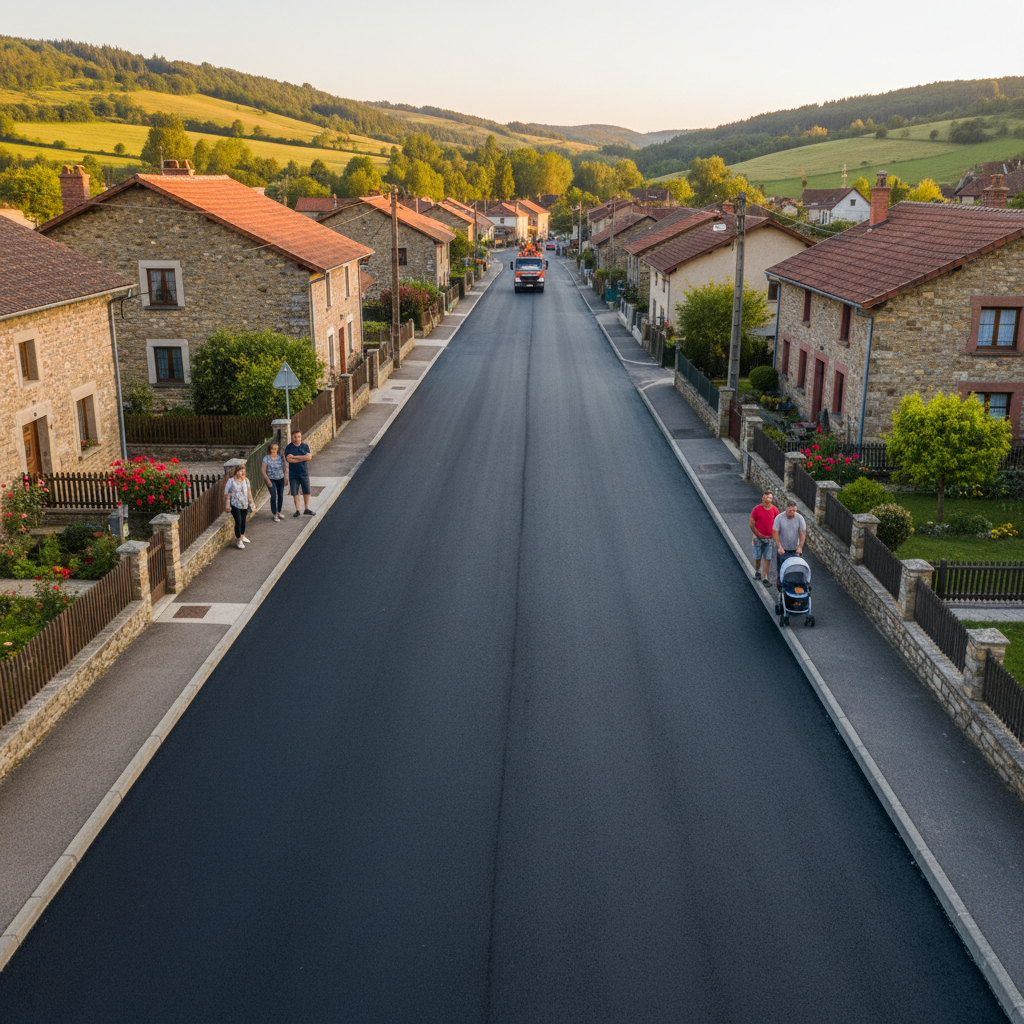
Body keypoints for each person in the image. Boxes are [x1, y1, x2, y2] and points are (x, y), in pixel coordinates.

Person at [749, 490, 778, 587]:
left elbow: (777, 524)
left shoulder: (775, 510)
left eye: (769, 497)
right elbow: (752, 523)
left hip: (769, 539)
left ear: (772, 499)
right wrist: (756, 534)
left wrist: (775, 536)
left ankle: (765, 577)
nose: (767, 499)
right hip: (758, 538)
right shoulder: (756, 509)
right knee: (757, 558)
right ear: (762, 498)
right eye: (766, 497)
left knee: (767, 558)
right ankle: (757, 571)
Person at [773, 499, 807, 575]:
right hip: (783, 549)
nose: (792, 512)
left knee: (795, 570)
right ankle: (780, 583)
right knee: (782, 570)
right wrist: (779, 546)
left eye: (793, 510)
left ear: (796, 509)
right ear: (786, 509)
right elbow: (775, 532)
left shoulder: (800, 518)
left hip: (795, 550)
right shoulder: (779, 518)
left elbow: (803, 533)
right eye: (790, 511)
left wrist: (800, 547)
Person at [285, 429, 314, 517]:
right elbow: (289, 460)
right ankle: (297, 510)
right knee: (295, 492)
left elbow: (309, 457)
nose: (297, 439)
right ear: (292, 437)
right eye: (295, 437)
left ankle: (306, 509)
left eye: (298, 437)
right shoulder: (288, 448)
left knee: (307, 491)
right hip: (293, 474)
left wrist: (295, 457)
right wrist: (303, 457)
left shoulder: (305, 446)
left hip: (304, 472)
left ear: (301, 437)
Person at [224, 463, 254, 550]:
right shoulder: (231, 481)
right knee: (238, 520)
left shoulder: (246, 480)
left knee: (243, 521)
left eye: (244, 471)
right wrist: (227, 504)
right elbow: (227, 493)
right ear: (237, 472)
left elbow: (249, 492)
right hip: (234, 504)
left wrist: (251, 503)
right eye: (242, 471)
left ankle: (242, 536)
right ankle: (239, 539)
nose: (243, 473)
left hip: (244, 504)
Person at [261, 440, 286, 522]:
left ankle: (279, 512)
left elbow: (285, 469)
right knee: (274, 496)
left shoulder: (280, 457)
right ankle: (274, 514)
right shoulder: (266, 458)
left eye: (276, 448)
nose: (275, 450)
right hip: (271, 479)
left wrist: (285, 478)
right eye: (273, 448)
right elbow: (263, 470)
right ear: (270, 449)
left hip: (280, 479)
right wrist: (267, 480)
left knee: (281, 496)